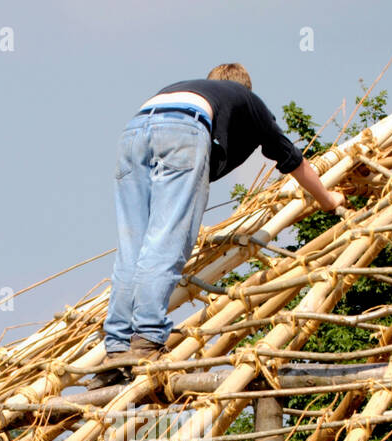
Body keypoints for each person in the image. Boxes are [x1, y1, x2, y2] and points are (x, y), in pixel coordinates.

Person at [95, 63, 345, 387]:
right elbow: (293, 161)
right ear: (244, 90)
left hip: (134, 131)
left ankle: (115, 350)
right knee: (168, 241)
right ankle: (146, 341)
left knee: (133, 248)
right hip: (183, 129)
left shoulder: (191, 88)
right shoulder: (247, 100)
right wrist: (327, 199)